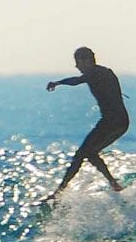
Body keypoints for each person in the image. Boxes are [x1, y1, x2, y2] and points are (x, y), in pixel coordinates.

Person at [44, 47, 128, 200]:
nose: (77, 66)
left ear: (87, 60)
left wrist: (58, 82)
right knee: (89, 153)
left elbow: (77, 81)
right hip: (117, 122)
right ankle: (114, 184)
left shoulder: (98, 73)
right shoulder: (98, 73)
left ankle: (59, 192)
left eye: (78, 62)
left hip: (113, 122)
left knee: (80, 155)